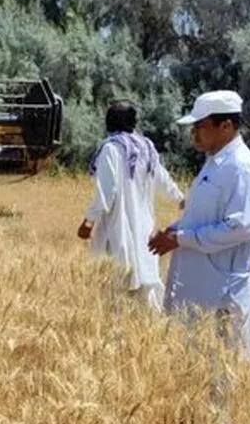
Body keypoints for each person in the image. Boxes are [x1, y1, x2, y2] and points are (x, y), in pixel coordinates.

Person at [148, 90, 250, 370]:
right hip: (200, 289)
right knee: (194, 368)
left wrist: (181, 239)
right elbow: (202, 216)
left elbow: (241, 227)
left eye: (200, 126)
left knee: (220, 370)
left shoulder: (241, 167)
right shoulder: (214, 163)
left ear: (226, 126)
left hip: (220, 293)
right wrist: (173, 231)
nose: (194, 133)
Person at [78, 100, 185, 310]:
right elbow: (163, 179)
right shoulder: (147, 148)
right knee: (145, 290)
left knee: (115, 290)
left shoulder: (111, 149)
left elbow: (107, 192)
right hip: (144, 228)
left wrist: (89, 222)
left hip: (118, 227)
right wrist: (180, 198)